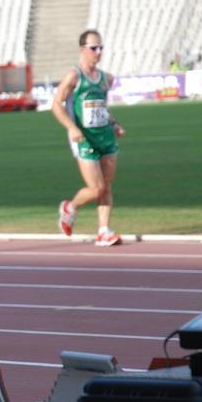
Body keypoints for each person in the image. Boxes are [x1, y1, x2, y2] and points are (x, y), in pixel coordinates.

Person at [52, 30, 125, 247]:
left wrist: (114, 124)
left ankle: (103, 230)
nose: (98, 52)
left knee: (107, 186)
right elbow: (56, 104)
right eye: (94, 48)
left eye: (101, 47)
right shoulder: (74, 76)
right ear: (82, 49)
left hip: (106, 137)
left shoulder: (105, 79)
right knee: (96, 188)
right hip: (84, 139)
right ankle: (70, 208)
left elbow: (102, 108)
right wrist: (71, 127)